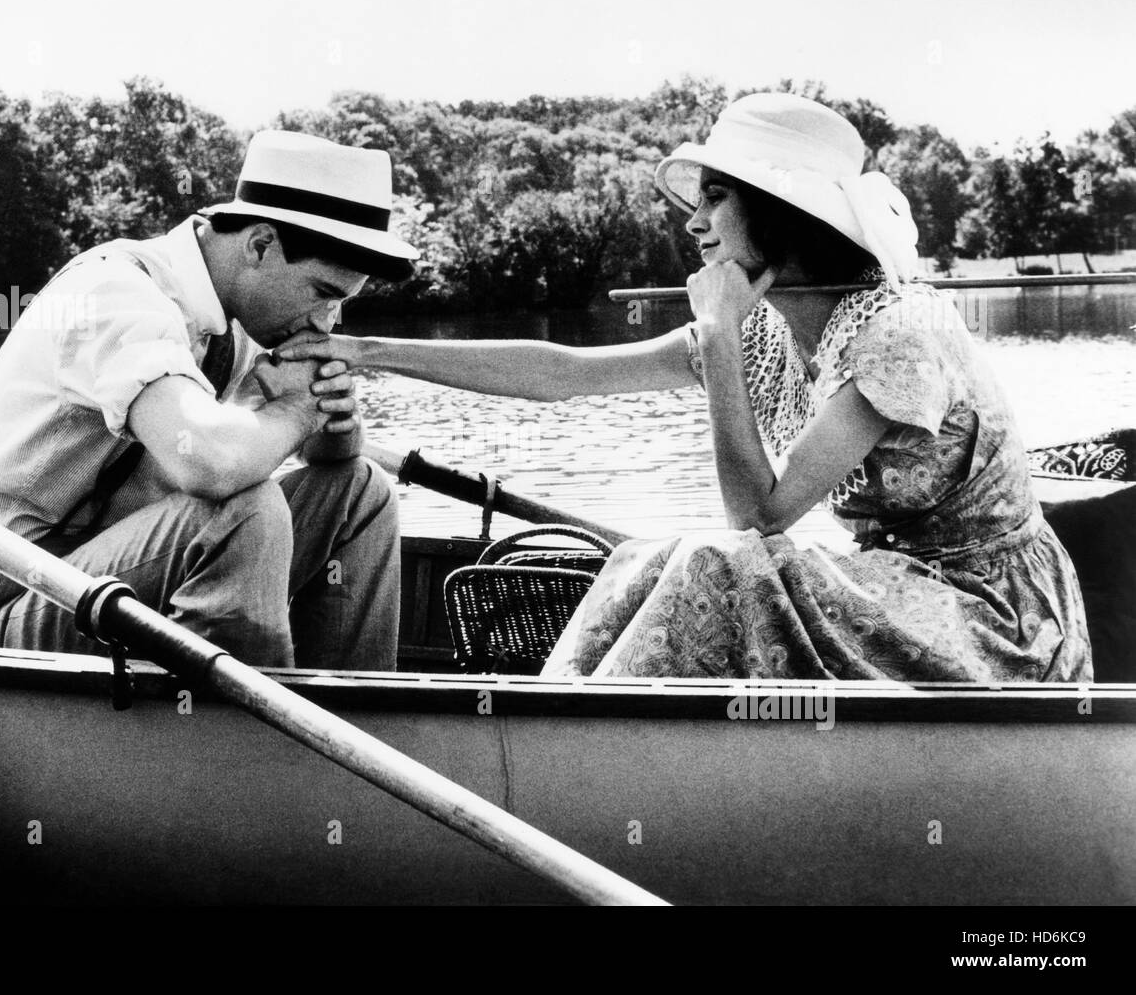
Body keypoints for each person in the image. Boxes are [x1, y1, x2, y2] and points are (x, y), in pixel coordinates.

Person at [277, 93, 1092, 682]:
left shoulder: (898, 336)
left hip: (994, 620)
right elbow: (561, 376)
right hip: (903, 595)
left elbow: (758, 519)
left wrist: (721, 339)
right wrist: (362, 348)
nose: (693, 222)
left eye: (715, 198)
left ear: (775, 212)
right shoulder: (768, 327)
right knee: (647, 554)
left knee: (712, 561)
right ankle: (560, 725)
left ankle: (572, 751)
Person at [0, 131, 419, 670]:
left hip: (118, 582)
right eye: (325, 294)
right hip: (8, 612)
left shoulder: (237, 321)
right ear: (260, 245)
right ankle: (244, 740)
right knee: (241, 509)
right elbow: (211, 463)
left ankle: (350, 720)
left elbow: (320, 463)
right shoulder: (113, 294)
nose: (329, 323)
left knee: (361, 491)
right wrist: (293, 411)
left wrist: (335, 420)